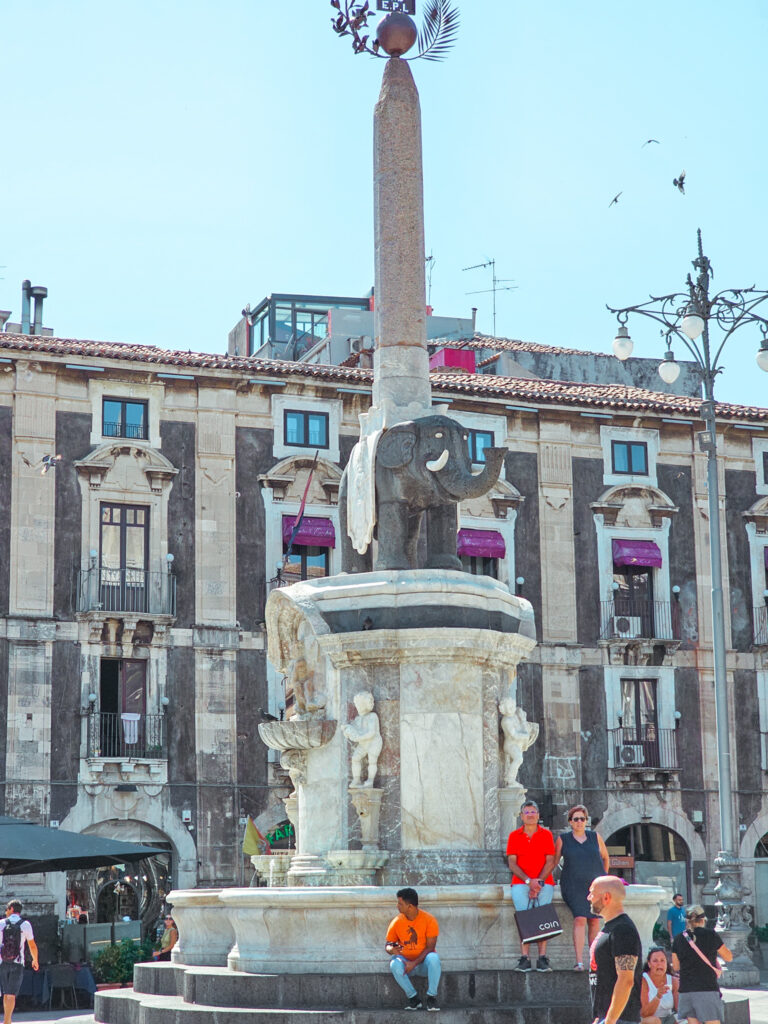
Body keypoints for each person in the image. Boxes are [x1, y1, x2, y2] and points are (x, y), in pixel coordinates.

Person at [554, 804, 610, 971]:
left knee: (594, 921)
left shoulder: (595, 837)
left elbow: (606, 858)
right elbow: (554, 861)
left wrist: (603, 879)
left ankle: (594, 961)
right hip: (573, 885)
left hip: (594, 886)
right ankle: (579, 961)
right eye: (576, 819)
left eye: (582, 819)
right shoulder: (563, 839)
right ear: (570, 822)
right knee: (579, 918)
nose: (579, 822)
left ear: (586, 821)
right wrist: (543, 879)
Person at [506, 799, 556, 973]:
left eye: (533, 812)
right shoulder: (514, 836)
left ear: (538, 815)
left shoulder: (547, 835)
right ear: (521, 816)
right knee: (524, 920)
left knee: (543, 919)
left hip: (544, 883)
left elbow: (551, 861)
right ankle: (525, 958)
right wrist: (529, 882)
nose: (530, 815)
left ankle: (542, 958)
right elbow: (512, 863)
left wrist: (538, 882)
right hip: (521, 883)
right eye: (526, 812)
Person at [588, 875, 643, 1024]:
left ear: (606, 897)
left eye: (592, 893)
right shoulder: (609, 928)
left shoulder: (623, 930)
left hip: (621, 1019)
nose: (588, 898)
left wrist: (610, 1021)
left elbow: (626, 980)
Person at [671, 905, 732, 1024]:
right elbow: (728, 957)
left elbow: (676, 966)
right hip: (707, 988)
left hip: (686, 990)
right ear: (703, 919)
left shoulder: (678, 939)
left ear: (687, 920)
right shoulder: (711, 935)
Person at [385, 888, 441, 1012]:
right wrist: (391, 949)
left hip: (423, 964)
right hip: (405, 964)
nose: (397, 906)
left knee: (434, 958)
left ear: (410, 906)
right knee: (394, 964)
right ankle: (414, 998)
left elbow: (430, 948)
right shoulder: (397, 921)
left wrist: (414, 964)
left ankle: (431, 998)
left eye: (400, 903)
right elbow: (388, 944)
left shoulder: (429, 920)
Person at [0, 900, 39, 1024]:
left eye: (6, 909)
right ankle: (7, 1021)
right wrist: (35, 960)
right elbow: (32, 945)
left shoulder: (1, 923)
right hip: (17, 963)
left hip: (2, 962)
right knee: (11, 994)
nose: (5, 912)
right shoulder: (25, 925)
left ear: (11, 908)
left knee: (6, 993)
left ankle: (7, 1020)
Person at [640, 946, 679, 1024]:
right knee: (655, 1021)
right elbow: (644, 1013)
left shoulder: (673, 980)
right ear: (649, 964)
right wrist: (658, 996)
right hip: (648, 1020)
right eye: (655, 961)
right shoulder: (643, 980)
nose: (659, 964)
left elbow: (679, 1009)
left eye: (662, 961)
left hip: (668, 1019)